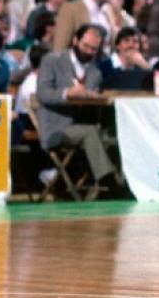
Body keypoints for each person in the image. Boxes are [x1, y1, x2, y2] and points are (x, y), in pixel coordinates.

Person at [36, 25, 124, 197]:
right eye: (86, 46)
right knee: (89, 133)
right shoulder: (52, 61)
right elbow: (43, 94)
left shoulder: (95, 72)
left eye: (93, 49)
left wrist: (95, 96)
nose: (88, 52)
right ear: (75, 40)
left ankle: (123, 180)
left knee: (113, 134)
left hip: (84, 124)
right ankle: (108, 182)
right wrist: (67, 93)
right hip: (56, 128)